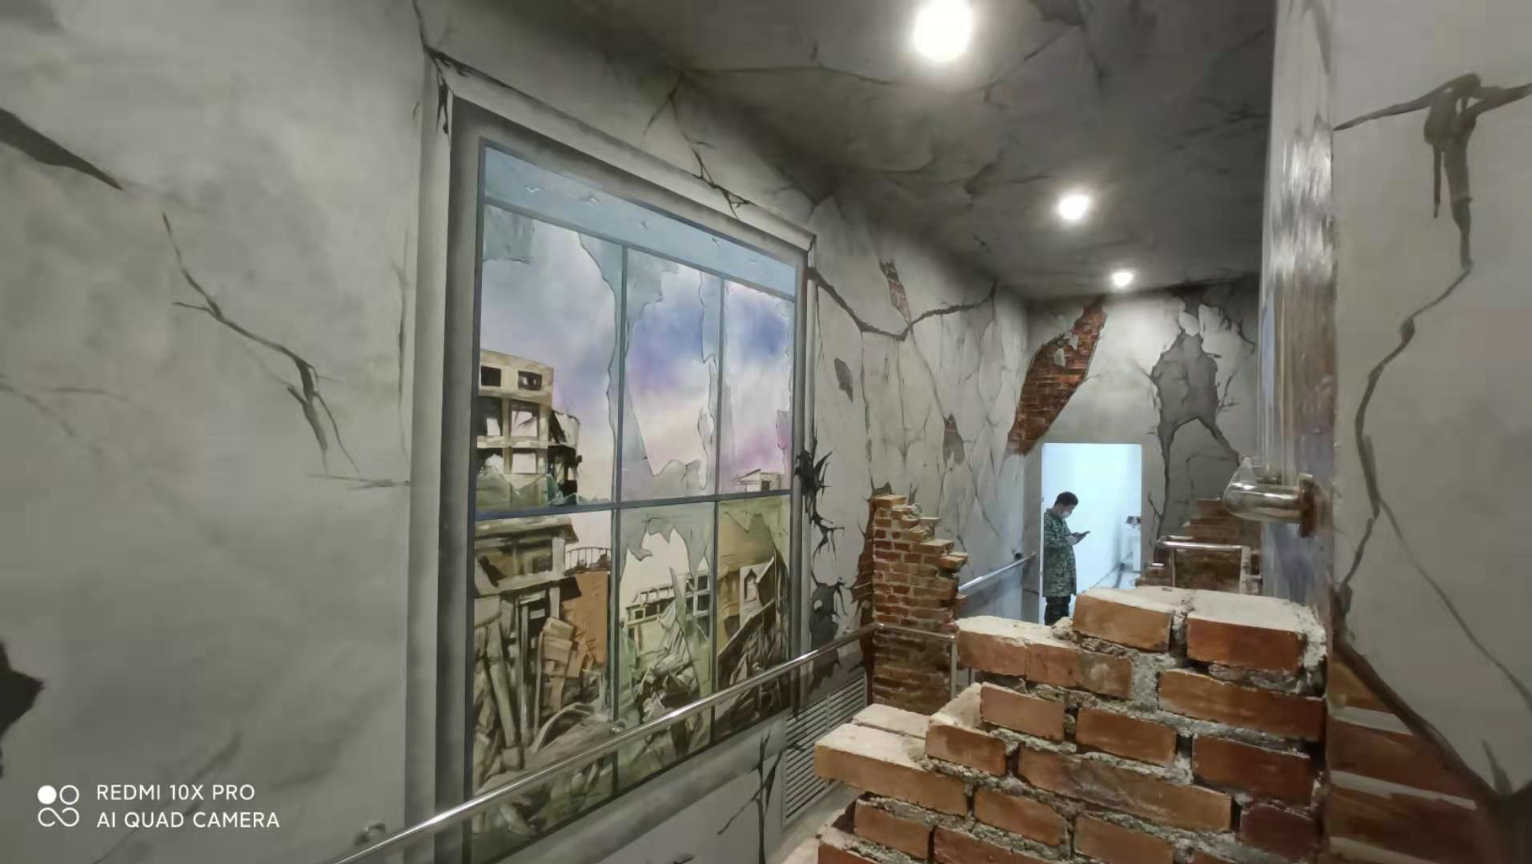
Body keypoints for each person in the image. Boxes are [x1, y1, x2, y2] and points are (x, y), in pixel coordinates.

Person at [1042, 492, 1088, 625]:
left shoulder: (1061, 520)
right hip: (1054, 578)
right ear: (1061, 505)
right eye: (1070, 509)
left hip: (1065, 578)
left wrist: (1075, 537)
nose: (1070, 512)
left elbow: (1065, 538)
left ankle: (1061, 635)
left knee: (1064, 610)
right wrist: (1068, 540)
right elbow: (1047, 542)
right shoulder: (1046, 520)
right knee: (1054, 611)